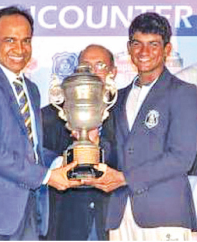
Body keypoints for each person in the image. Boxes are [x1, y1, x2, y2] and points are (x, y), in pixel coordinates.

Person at [0, 5, 81, 241]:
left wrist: (67, 160)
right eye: (10, 40)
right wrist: (47, 177)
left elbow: (29, 149)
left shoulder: (30, 89)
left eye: (26, 40)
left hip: (25, 215)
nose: (19, 49)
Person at [83, 12, 197, 241]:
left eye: (153, 45)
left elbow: (181, 158)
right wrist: (93, 142)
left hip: (164, 214)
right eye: (137, 44)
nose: (144, 52)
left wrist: (125, 178)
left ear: (167, 49)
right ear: (129, 48)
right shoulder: (117, 98)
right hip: (119, 214)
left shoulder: (185, 93)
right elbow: (116, 152)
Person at [41, 44, 117, 240]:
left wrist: (99, 144)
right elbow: (35, 154)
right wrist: (61, 162)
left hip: (110, 222)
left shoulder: (123, 113)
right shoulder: (53, 114)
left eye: (100, 65)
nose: (91, 70)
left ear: (112, 73)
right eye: (85, 64)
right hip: (66, 222)